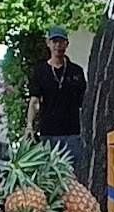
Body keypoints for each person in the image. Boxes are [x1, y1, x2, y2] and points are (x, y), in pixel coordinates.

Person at [26, 26, 87, 171]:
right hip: (48, 133)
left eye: (61, 41)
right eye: (54, 41)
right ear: (48, 43)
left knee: (72, 176)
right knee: (49, 174)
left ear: (67, 44)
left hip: (72, 134)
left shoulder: (76, 71)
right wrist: (29, 125)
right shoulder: (40, 71)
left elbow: (84, 103)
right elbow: (34, 101)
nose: (57, 45)